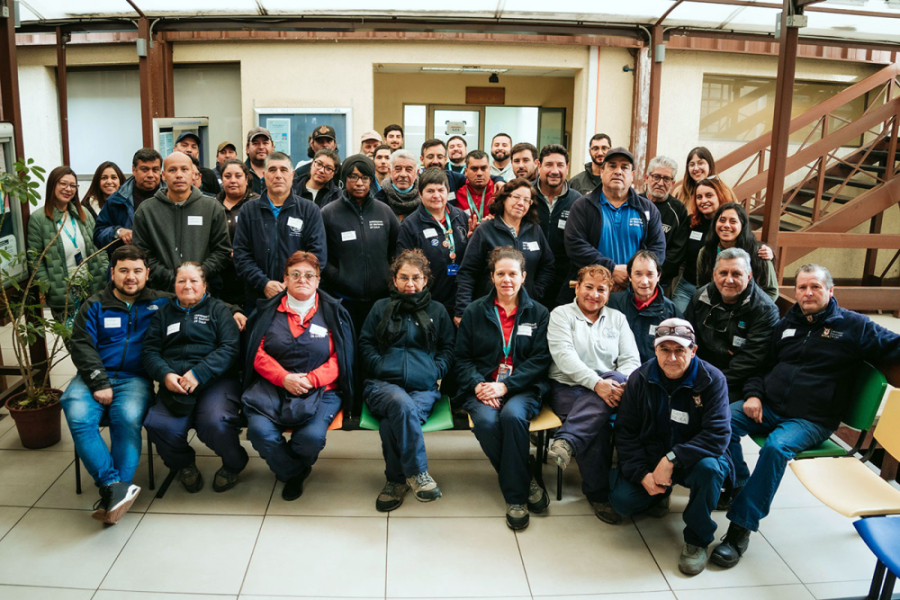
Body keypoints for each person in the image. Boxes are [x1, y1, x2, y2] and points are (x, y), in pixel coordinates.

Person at [711, 263, 900, 569]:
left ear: (830, 290)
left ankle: (739, 531)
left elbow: (894, 345)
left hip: (810, 419)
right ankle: (739, 485)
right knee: (720, 421)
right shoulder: (787, 324)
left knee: (775, 447)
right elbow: (761, 366)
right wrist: (755, 394)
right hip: (768, 406)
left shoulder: (854, 326)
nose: (808, 293)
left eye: (815, 287)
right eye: (802, 287)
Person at [610, 318, 733, 576]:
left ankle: (697, 540)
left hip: (695, 458)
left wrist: (672, 459)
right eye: (665, 350)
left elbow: (718, 435)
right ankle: (659, 494)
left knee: (710, 469)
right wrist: (641, 473)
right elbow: (625, 432)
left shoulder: (712, 379)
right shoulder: (640, 378)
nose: (672, 358)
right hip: (652, 456)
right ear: (655, 350)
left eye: (680, 350)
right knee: (622, 502)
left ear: (693, 350)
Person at [62, 245, 171, 524]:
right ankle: (114, 486)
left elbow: (198, 299)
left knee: (127, 417)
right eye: (123, 270)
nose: (130, 277)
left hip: (135, 378)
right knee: (76, 414)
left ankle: (115, 494)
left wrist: (233, 310)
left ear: (147, 273)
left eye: (137, 271)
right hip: (93, 375)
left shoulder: (161, 302)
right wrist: (98, 381)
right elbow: (81, 345)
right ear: (112, 273)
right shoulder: (95, 304)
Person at [242, 251, 355, 501]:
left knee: (311, 439)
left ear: (318, 280)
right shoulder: (266, 311)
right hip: (271, 387)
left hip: (322, 389)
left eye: (309, 275)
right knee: (260, 434)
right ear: (285, 279)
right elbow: (256, 352)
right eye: (295, 274)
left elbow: (343, 357)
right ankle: (294, 472)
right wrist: (283, 378)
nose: (302, 279)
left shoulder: (335, 312)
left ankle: (288, 467)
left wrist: (311, 379)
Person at [456, 247, 551, 530]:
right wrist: (480, 385)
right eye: (501, 273)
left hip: (522, 386)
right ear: (492, 277)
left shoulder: (539, 313)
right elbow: (461, 359)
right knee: (485, 423)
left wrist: (506, 386)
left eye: (513, 273)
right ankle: (526, 477)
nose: (506, 279)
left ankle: (515, 498)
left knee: (512, 417)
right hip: (482, 387)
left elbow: (540, 360)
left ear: (523, 276)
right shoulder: (475, 311)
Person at [359, 250, 456, 511]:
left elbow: (449, 347)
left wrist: (434, 371)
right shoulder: (380, 308)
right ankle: (418, 473)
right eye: (404, 278)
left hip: (423, 387)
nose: (410, 284)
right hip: (382, 385)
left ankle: (395, 481)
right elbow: (365, 343)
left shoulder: (437, 310)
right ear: (394, 279)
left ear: (426, 280)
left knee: (393, 422)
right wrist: (379, 365)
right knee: (401, 405)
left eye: (416, 278)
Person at [546, 264, 640, 523]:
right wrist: (597, 383)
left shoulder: (617, 319)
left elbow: (631, 360)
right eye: (589, 287)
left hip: (612, 387)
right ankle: (598, 494)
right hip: (568, 386)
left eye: (602, 289)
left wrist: (621, 384)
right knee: (598, 427)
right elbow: (564, 357)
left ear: (609, 293)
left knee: (617, 377)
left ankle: (567, 440)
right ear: (577, 287)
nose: (594, 294)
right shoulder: (561, 315)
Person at [142, 262, 247, 493]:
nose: (187, 286)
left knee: (214, 422)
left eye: (193, 281)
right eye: (181, 281)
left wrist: (199, 373)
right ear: (174, 285)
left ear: (204, 285)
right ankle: (184, 464)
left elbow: (230, 348)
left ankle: (234, 463)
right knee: (158, 424)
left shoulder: (219, 310)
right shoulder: (163, 315)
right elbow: (149, 351)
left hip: (216, 381)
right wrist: (165, 374)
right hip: (175, 383)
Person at [561, 147, 666, 304]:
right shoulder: (583, 206)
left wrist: (632, 274)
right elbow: (574, 245)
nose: (618, 171)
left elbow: (658, 250)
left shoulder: (647, 209)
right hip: (592, 295)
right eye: (612, 166)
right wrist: (611, 270)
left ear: (632, 175)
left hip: (633, 295)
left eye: (624, 167)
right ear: (602, 172)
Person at [233, 151, 328, 311]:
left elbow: (318, 255)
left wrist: (294, 282)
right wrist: (264, 283)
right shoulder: (248, 211)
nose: (278, 175)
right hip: (259, 300)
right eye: (272, 170)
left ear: (292, 175)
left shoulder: (309, 210)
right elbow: (241, 255)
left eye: (283, 170)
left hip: (299, 301)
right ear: (263, 175)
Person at [455, 178, 555, 324]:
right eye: (516, 197)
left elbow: (548, 265)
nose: (521, 203)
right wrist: (462, 309)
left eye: (527, 200)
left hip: (525, 308)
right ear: (504, 199)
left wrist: (534, 291)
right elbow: (467, 273)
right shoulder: (485, 230)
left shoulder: (535, 230)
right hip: (488, 309)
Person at [685, 248, 779, 401]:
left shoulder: (764, 309)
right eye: (723, 273)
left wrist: (712, 383)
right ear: (714, 275)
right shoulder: (700, 297)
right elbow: (688, 338)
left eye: (736, 274)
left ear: (749, 276)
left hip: (738, 381)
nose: (729, 280)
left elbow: (751, 360)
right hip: (699, 372)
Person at [321, 154, 400, 334]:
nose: (359, 183)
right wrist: (338, 277)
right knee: (349, 353)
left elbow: (397, 249)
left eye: (365, 178)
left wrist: (388, 274)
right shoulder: (328, 213)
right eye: (353, 177)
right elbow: (320, 255)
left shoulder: (384, 212)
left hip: (380, 300)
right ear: (344, 178)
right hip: (343, 300)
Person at [132, 151, 232, 293]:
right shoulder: (146, 211)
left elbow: (222, 251)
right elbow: (142, 254)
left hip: (203, 293)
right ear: (164, 175)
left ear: (193, 174)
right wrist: (173, 278)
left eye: (184, 169)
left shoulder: (212, 208)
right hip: (159, 293)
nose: (179, 175)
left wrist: (197, 275)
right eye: (172, 170)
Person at [28, 166, 109, 326]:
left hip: (92, 286)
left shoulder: (82, 213)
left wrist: (105, 268)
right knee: (74, 343)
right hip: (64, 291)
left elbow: (99, 247)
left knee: (98, 338)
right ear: (52, 185)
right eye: (63, 184)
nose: (68, 189)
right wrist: (49, 288)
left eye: (73, 185)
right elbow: (35, 259)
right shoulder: (39, 218)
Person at [396, 168, 469, 315]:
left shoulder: (461, 217)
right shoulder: (410, 225)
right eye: (430, 191)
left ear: (447, 191)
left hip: (460, 302)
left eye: (440, 190)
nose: (436, 196)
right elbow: (403, 266)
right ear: (420, 194)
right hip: (427, 304)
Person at [608, 250, 683, 363]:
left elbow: (680, 351)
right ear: (630, 276)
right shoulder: (613, 303)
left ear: (658, 276)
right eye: (638, 274)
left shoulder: (670, 311)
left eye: (650, 274)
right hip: (618, 372)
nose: (644, 281)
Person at [671, 177, 732, 313]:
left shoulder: (728, 225)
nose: (703, 200)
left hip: (716, 291)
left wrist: (764, 249)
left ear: (719, 196)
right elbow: (676, 249)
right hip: (686, 287)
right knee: (677, 326)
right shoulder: (691, 222)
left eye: (709, 195)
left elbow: (746, 242)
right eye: (699, 197)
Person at [531, 144, 582, 306]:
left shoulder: (578, 201)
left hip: (565, 282)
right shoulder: (525, 195)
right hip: (530, 280)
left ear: (567, 168)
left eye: (560, 165)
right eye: (549, 165)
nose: (555, 171)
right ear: (538, 166)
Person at [696, 203, 779, 301]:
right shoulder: (706, 252)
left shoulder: (759, 252)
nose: (726, 225)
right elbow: (701, 288)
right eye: (722, 220)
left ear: (742, 226)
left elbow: (772, 291)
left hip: (751, 311)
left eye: (733, 221)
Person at [94, 148, 162, 258]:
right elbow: (98, 235)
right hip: (127, 266)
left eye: (155, 170)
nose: (150, 175)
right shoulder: (116, 200)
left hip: (162, 267)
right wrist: (117, 232)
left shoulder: (171, 198)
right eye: (144, 169)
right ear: (134, 170)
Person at [216, 159, 259, 306]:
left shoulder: (257, 204)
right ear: (222, 179)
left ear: (246, 179)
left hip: (249, 277)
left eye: (238, 176)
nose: (233, 180)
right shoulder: (212, 205)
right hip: (219, 277)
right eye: (227, 176)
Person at [644, 156, 689, 291]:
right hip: (632, 277)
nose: (660, 182)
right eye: (656, 177)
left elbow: (677, 250)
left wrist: (655, 273)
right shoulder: (634, 203)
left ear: (673, 183)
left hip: (662, 281)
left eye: (666, 179)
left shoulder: (678, 210)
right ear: (647, 178)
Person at [450, 150, 496, 223]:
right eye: (474, 169)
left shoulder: (499, 191)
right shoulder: (458, 193)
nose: (479, 173)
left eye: (483, 168)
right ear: (466, 171)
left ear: (489, 170)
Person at [375, 149, 420, 219]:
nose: (403, 174)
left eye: (408, 169)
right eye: (398, 169)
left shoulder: (425, 201)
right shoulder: (378, 201)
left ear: (417, 173)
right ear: (390, 171)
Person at [676, 147, 716, 215]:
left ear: (710, 165)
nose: (696, 168)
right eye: (692, 164)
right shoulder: (679, 192)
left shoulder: (724, 191)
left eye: (700, 163)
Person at [245, 127, 274, 195]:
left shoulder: (282, 174)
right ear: (247, 148)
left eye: (265, 143)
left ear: (272, 146)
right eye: (256, 143)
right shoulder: (240, 174)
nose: (261, 147)